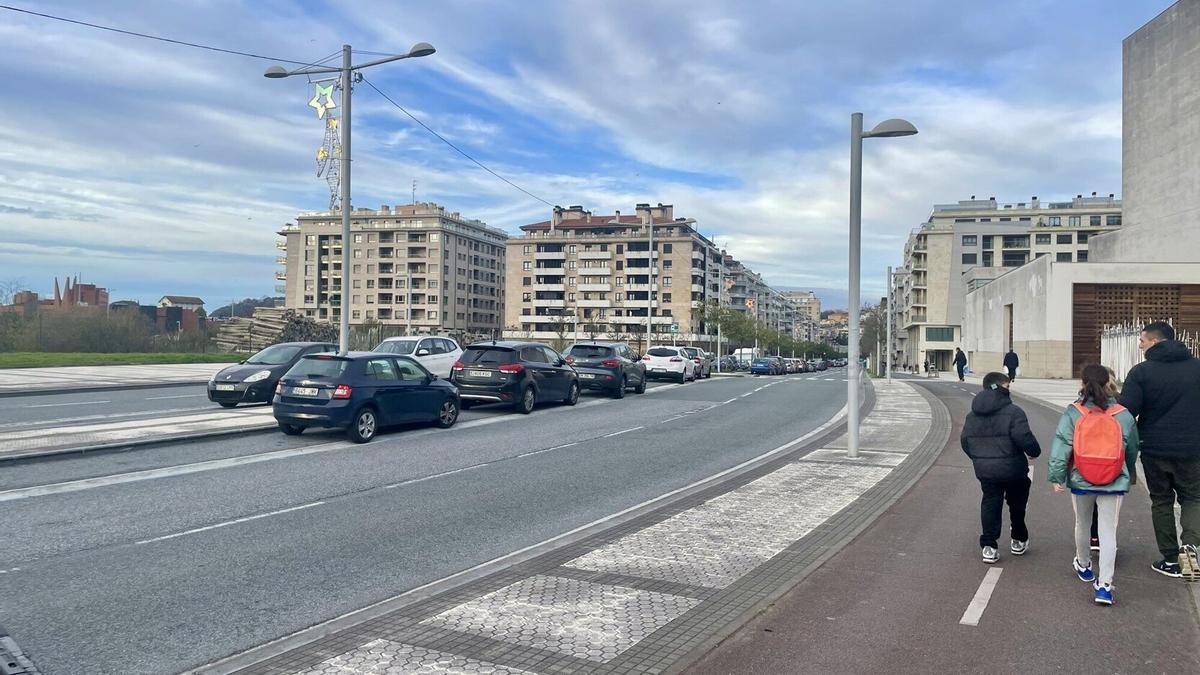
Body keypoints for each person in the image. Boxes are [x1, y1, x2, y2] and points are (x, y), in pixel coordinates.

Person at [1048, 365, 1139, 605]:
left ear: (1082, 382)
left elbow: (1061, 447)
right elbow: (1131, 449)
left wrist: (1058, 477)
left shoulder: (1074, 412)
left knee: (1082, 523)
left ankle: (1085, 565)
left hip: (1082, 478)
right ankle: (1105, 586)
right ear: (1109, 381)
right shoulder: (1123, 414)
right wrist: (1128, 474)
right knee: (1108, 531)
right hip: (1113, 479)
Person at [1118, 321, 1200, 581]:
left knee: (1162, 500)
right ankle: (1191, 546)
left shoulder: (1142, 372)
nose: (1140, 345)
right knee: (1194, 498)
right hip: (1193, 448)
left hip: (1155, 449)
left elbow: (1127, 411)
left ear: (1155, 341)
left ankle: (1171, 559)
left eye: (1142, 341)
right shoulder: (1197, 368)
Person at [961, 371, 1042, 564]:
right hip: (1013, 468)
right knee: (1017, 504)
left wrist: (979, 458)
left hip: (985, 470)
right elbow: (1024, 438)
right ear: (999, 387)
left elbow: (965, 441)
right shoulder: (1014, 412)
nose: (1009, 390)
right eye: (1007, 386)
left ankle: (989, 546)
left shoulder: (972, 415)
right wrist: (1034, 452)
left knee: (990, 503)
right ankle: (1018, 539)